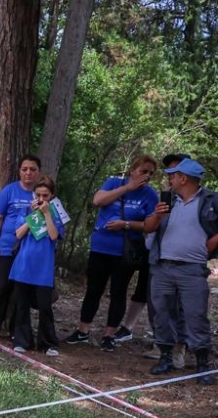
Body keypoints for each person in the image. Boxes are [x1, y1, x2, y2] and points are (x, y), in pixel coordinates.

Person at [64, 155, 159, 352]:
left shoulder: (150, 195)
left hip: (125, 252)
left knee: (118, 292)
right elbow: (97, 200)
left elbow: (150, 225)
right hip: (101, 247)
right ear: (133, 170)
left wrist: (126, 224)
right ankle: (83, 330)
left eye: (151, 173)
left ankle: (109, 335)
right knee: (94, 290)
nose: (147, 176)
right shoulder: (114, 183)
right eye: (143, 171)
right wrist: (128, 188)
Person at [142, 158, 218, 384]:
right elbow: (148, 227)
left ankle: (202, 365)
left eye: (172, 175)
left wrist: (212, 244)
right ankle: (166, 358)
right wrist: (158, 215)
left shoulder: (211, 200)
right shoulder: (168, 200)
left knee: (195, 315)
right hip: (163, 266)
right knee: (162, 313)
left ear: (183, 178)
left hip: (192, 268)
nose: (169, 179)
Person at [0, 154, 42, 338]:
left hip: (29, 251)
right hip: (8, 247)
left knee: (21, 291)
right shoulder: (9, 190)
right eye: (25, 169)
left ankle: (15, 330)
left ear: (38, 172)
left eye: (32, 169)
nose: (28, 173)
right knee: (2, 287)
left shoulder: (41, 193)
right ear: (19, 171)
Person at [10, 175, 63, 356]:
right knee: (22, 304)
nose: (41, 199)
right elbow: (18, 234)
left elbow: (54, 236)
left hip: (43, 267)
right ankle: (22, 340)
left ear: (52, 195)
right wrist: (32, 215)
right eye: (38, 195)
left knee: (44, 306)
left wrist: (46, 214)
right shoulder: (26, 210)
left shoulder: (56, 213)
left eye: (45, 195)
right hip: (24, 264)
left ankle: (47, 343)